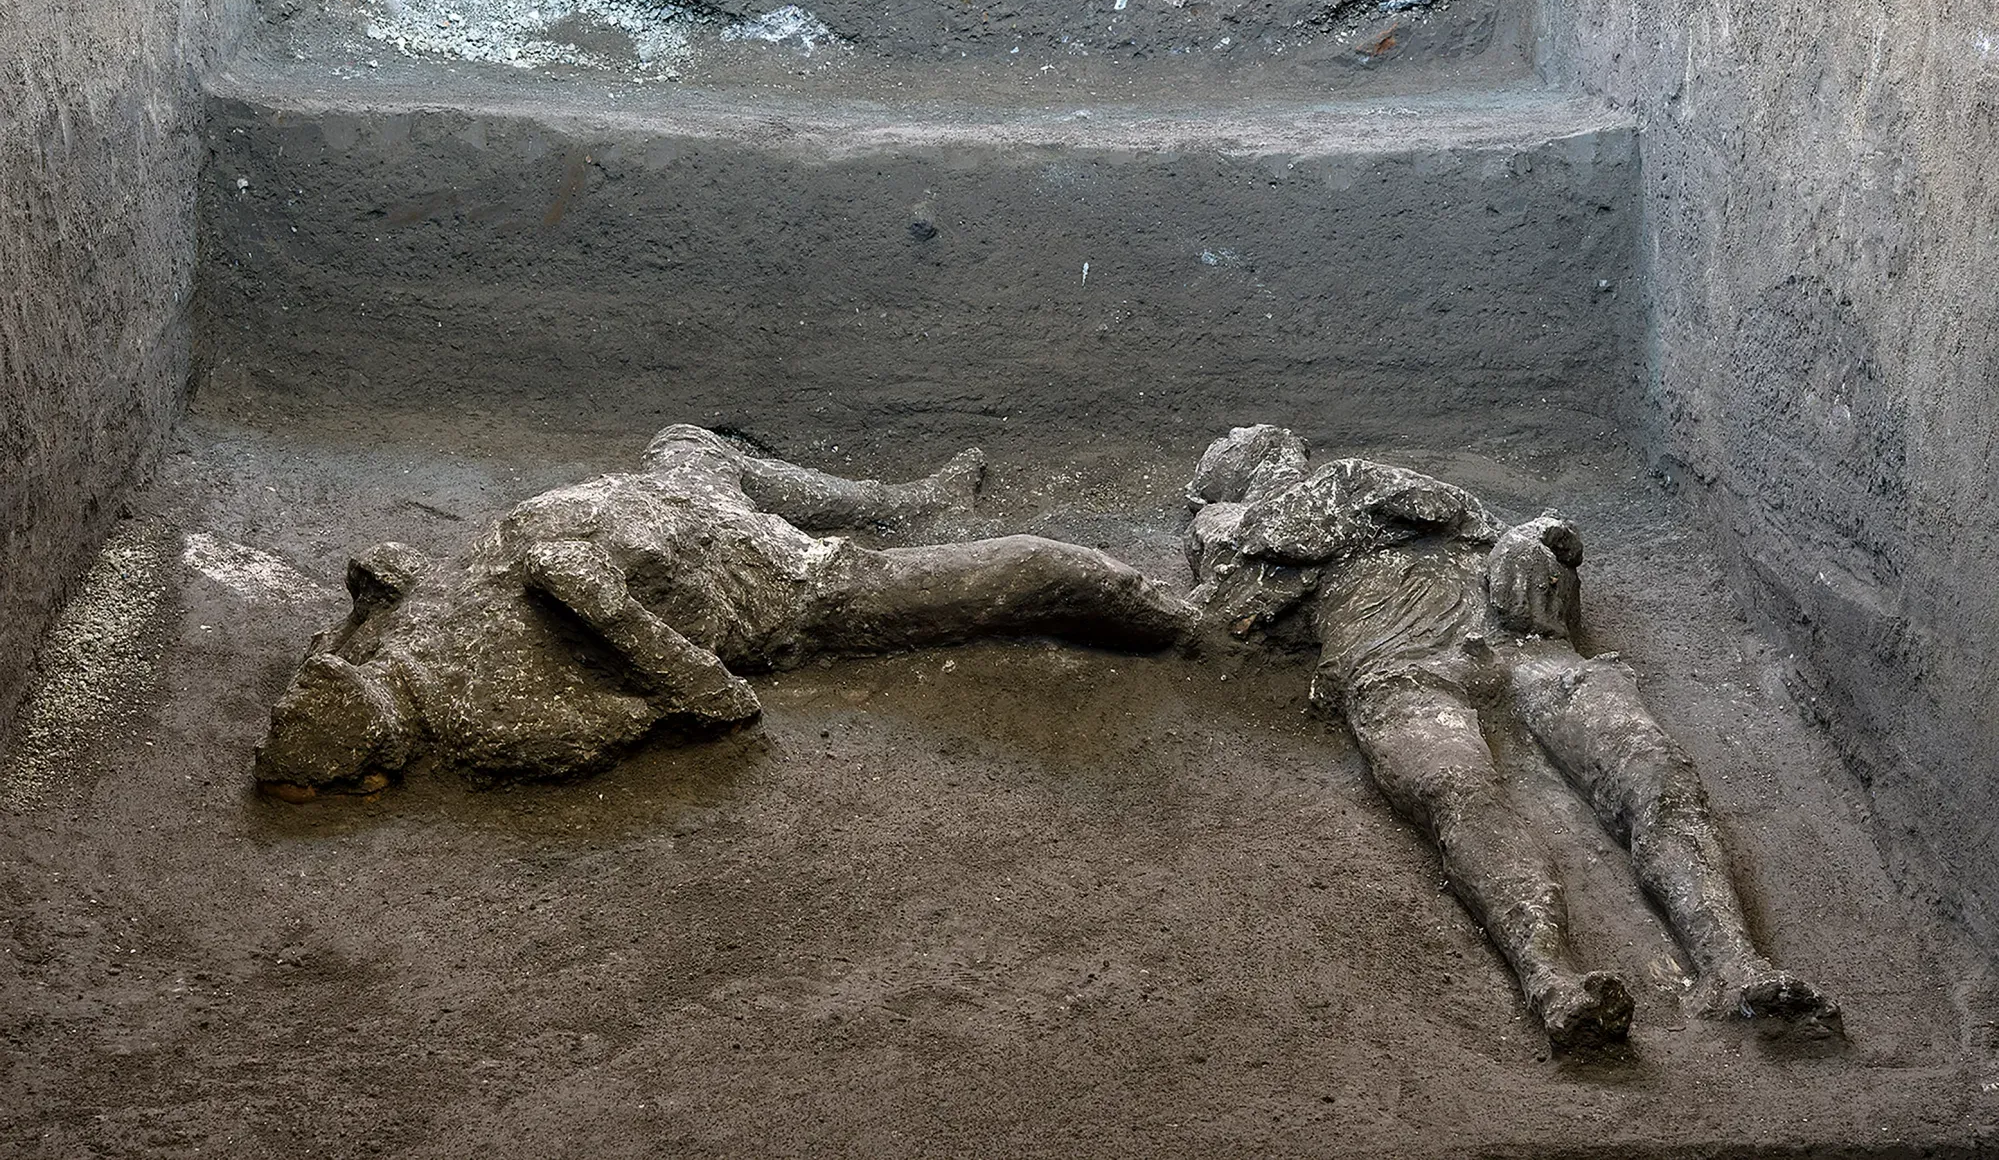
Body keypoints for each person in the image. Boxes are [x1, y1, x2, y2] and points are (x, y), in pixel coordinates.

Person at [1184, 425, 1840, 1050]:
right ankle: (1550, 979)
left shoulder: (1382, 486)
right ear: (1219, 485)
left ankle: (1735, 963)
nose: (1250, 437)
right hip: (1395, 665)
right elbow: (1212, 620)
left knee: (1651, 768)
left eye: (1253, 437)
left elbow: (1514, 539)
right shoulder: (1228, 532)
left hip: (1519, 642)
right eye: (1234, 444)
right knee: (1460, 792)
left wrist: (1540, 539)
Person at [256, 425, 1195, 797]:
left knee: (691, 441)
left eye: (341, 667)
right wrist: (609, 612)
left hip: (671, 506)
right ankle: (1213, 625)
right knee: (1037, 568)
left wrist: (377, 593)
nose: (351, 666)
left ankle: (902, 502)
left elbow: (387, 582)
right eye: (354, 682)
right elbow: (722, 704)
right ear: (386, 740)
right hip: (773, 585)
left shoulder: (382, 653)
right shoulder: (499, 728)